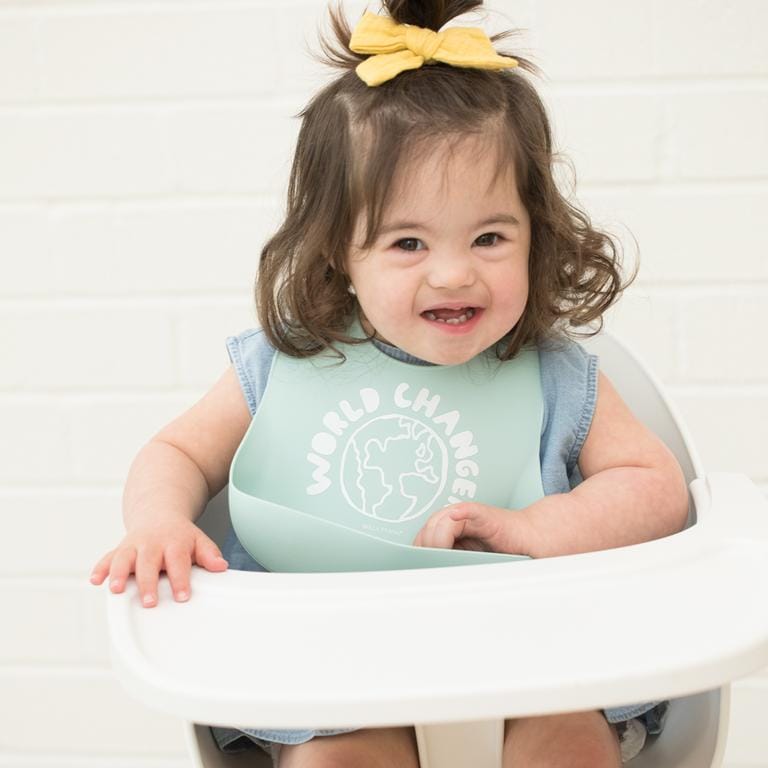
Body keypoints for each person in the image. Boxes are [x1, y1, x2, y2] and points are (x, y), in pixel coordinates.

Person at [90, 0, 690, 765]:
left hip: (530, 647)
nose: (454, 273)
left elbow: (654, 485)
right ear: (337, 250)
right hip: (330, 654)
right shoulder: (287, 361)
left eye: (490, 237)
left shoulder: (552, 371)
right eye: (408, 242)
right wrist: (159, 522)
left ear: (535, 235)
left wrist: (540, 529)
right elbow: (178, 452)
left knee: (567, 741)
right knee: (343, 756)